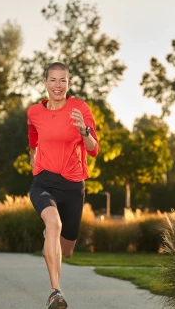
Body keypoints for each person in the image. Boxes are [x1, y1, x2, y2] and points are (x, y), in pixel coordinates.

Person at [27, 62, 99, 309]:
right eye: (53, 80)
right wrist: (33, 156)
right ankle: (55, 292)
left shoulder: (80, 108)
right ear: (45, 82)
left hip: (73, 186)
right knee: (53, 223)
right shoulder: (34, 112)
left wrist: (84, 130)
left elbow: (93, 149)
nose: (57, 85)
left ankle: (52, 235)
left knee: (67, 251)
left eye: (62, 80)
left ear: (69, 83)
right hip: (44, 182)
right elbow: (33, 137)